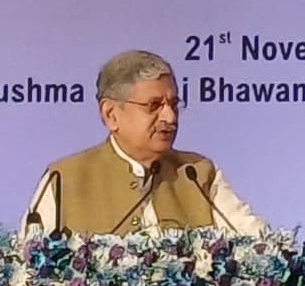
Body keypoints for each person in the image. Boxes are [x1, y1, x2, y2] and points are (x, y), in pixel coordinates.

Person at [23, 49, 267, 237]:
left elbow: (258, 244)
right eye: (154, 106)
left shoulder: (197, 173)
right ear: (111, 114)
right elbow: (28, 269)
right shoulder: (64, 179)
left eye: (173, 104)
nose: (170, 117)